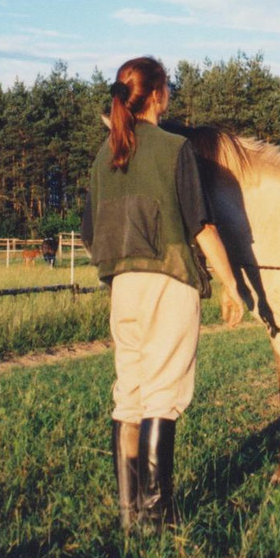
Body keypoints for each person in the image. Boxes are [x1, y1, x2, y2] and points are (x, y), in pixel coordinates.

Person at [81, 56, 244, 531]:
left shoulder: (102, 157)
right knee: (162, 396)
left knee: (128, 395)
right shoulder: (175, 149)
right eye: (167, 87)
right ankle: (157, 517)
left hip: (123, 289)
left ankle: (130, 514)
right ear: (157, 96)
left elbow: (91, 234)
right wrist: (231, 285)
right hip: (169, 283)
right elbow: (202, 226)